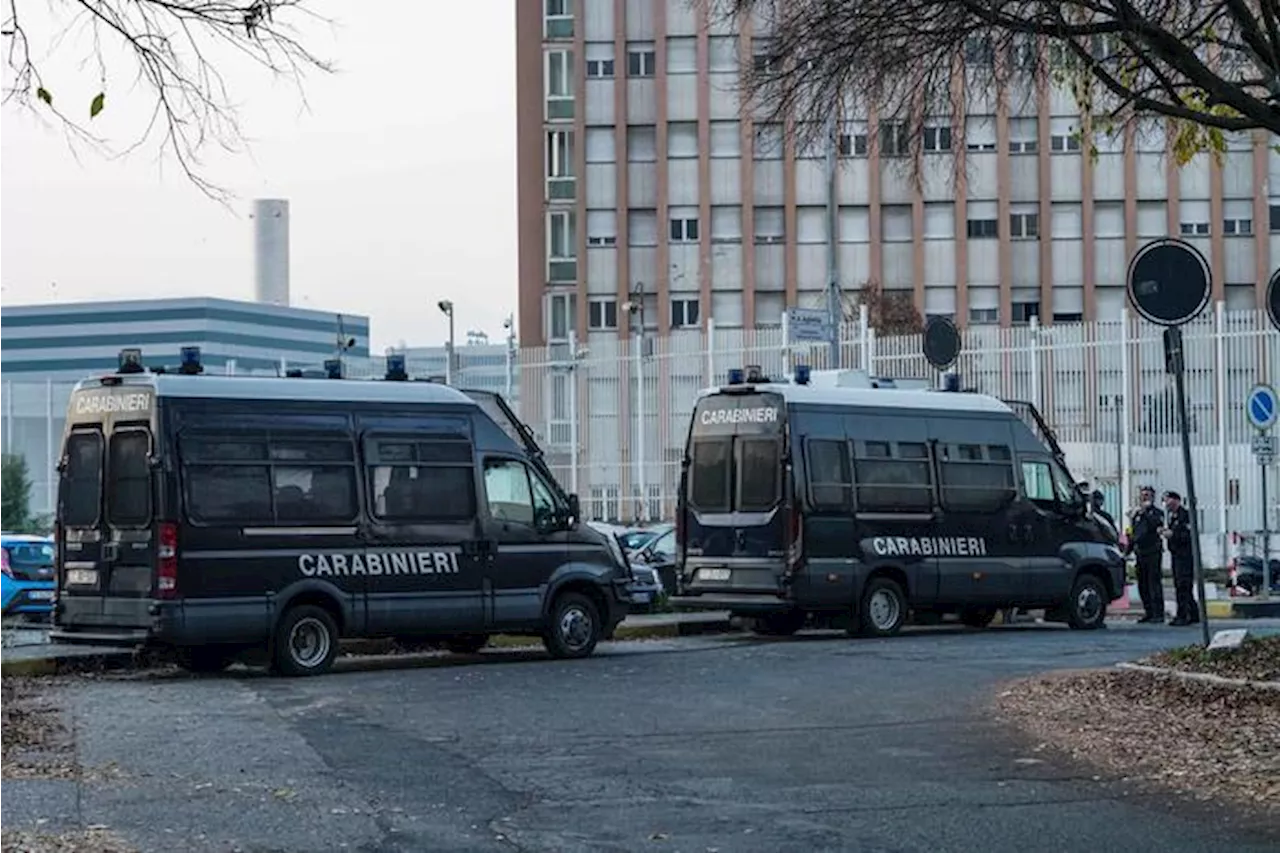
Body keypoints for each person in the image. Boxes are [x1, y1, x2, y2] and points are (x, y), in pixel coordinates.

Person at [1126, 485, 1166, 623]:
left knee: (1154, 583)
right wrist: (1127, 551)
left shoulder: (1156, 512)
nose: (1145, 497)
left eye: (1147, 495)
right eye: (1143, 495)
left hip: (1153, 552)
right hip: (1140, 553)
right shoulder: (1136, 514)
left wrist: (1146, 512)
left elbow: (1156, 524)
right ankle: (1148, 612)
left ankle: (1158, 614)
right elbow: (1133, 533)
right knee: (1142, 584)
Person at [1163, 490, 1200, 626]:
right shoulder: (1172, 516)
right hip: (1176, 554)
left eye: (1168, 500)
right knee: (1182, 586)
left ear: (1176, 500)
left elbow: (1188, 536)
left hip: (1185, 556)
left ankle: (1182, 616)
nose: (1166, 503)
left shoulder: (1185, 515)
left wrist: (1173, 535)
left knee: (1183, 586)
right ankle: (1194, 614)